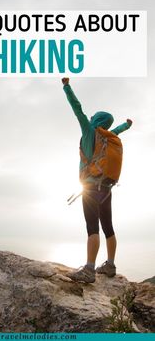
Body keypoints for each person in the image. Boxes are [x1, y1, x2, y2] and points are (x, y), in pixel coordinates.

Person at [62, 77, 133, 283]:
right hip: (107, 188)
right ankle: (110, 265)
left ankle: (89, 270)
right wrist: (126, 126)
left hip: (91, 188)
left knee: (92, 227)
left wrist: (67, 87)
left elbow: (78, 109)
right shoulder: (107, 136)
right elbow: (117, 131)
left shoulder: (89, 131)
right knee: (108, 226)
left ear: (95, 120)